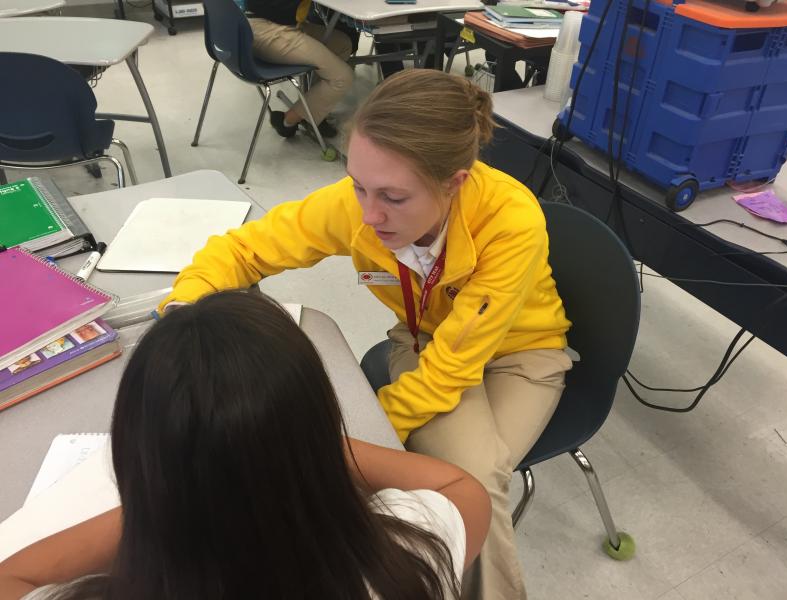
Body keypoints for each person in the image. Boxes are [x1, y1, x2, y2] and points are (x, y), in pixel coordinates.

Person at [156, 69, 572, 599]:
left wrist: (365, 438)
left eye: (393, 198)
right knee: (435, 484)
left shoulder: (511, 222)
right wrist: (182, 309)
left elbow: (453, 369)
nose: (368, 214)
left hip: (522, 354)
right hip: (424, 341)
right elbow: (242, 250)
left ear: (456, 183)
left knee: (466, 482)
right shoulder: (357, 206)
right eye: (358, 185)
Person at [0, 291, 491, 600]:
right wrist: (299, 449)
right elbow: (460, 486)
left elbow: (11, 576)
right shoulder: (410, 558)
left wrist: (173, 500)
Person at [245, 0, 353, 138]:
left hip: (281, 22)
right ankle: (287, 121)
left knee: (342, 44)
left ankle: (312, 109)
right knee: (342, 78)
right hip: (266, 28)